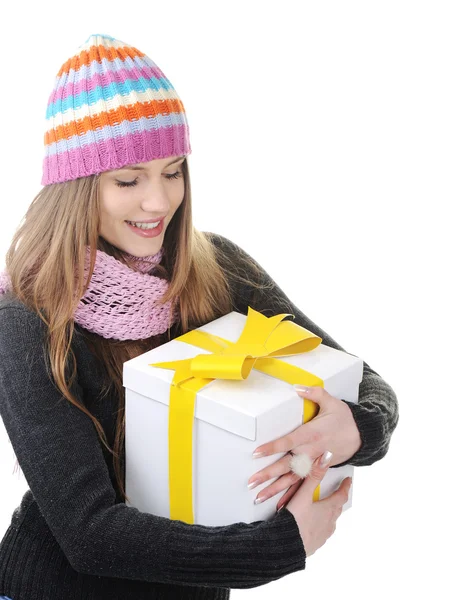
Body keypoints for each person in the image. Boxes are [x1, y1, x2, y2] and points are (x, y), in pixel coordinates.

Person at [0, 33, 399, 600]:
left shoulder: (218, 269)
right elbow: (88, 535)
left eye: (173, 170)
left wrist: (359, 427)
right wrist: (284, 545)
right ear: (77, 188)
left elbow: (367, 383)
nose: (160, 202)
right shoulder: (27, 321)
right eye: (128, 179)